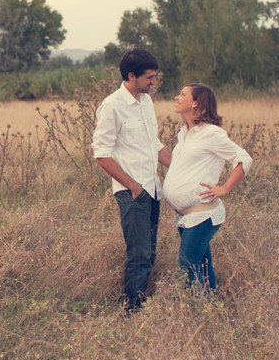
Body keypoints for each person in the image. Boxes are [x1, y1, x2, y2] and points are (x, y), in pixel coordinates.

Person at [92, 48, 172, 313]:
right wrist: (133, 186)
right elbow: (101, 154)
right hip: (132, 192)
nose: (154, 82)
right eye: (149, 78)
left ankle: (141, 305)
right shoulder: (112, 106)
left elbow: (155, 145)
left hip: (153, 189)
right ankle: (131, 312)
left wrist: (182, 168)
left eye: (155, 77)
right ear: (131, 75)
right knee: (138, 255)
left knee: (149, 253)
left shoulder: (146, 101)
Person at [163, 83, 251, 292]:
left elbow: (243, 158)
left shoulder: (212, 134)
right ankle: (209, 304)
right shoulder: (184, 134)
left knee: (187, 263)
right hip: (185, 215)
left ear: (196, 103)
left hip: (203, 214)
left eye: (182, 95)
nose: (177, 98)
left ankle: (196, 309)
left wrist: (225, 188)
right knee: (201, 264)